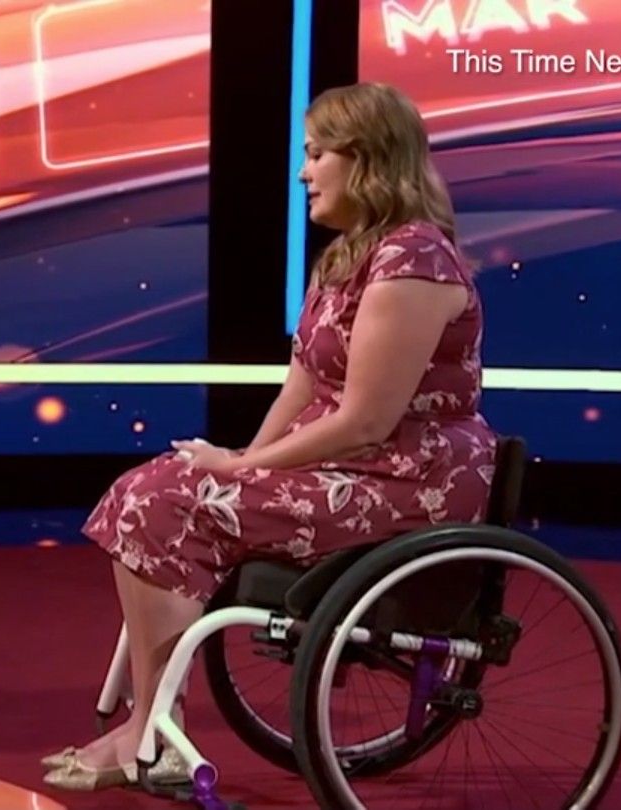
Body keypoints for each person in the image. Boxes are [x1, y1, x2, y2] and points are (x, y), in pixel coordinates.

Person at [42, 82, 498, 790]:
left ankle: (149, 732)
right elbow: (303, 388)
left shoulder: (413, 260)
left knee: (161, 502)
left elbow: (367, 422)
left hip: (406, 478)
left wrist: (240, 470)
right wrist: (244, 461)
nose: (303, 173)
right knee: (149, 491)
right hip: (351, 464)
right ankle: (154, 724)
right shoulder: (346, 257)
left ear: (367, 159)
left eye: (316, 155)